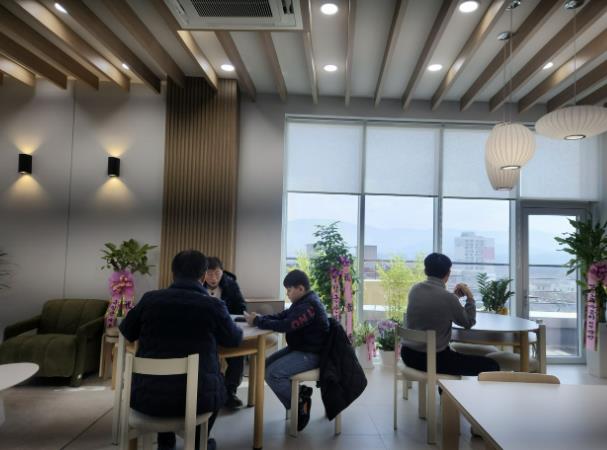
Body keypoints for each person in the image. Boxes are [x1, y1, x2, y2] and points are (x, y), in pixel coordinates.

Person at [119, 250, 243, 450]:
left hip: (147, 397)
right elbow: (234, 339)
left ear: (173, 274)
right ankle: (199, 441)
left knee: (165, 384)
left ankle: (165, 443)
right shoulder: (213, 305)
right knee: (216, 384)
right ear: (203, 276)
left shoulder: (150, 300)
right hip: (198, 401)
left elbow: (127, 331)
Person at [244, 269, 329, 431]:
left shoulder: (308, 306)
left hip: (312, 354)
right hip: (301, 349)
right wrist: (259, 319)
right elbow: (283, 316)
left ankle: (300, 403)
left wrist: (258, 322)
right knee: (265, 366)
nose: (287, 294)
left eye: (289, 290)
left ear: (300, 288)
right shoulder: (302, 302)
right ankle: (299, 396)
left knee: (273, 374)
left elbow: (286, 325)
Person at [401, 252, 500, 376]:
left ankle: (444, 387)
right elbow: (468, 322)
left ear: (425, 270)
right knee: (491, 365)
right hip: (433, 359)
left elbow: (434, 306)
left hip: (408, 355)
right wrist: (470, 297)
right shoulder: (448, 298)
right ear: (448, 273)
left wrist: (454, 297)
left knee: (454, 354)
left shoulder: (414, 290)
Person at [202, 257, 247, 409]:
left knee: (238, 354)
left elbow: (241, 307)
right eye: (209, 274)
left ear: (222, 272)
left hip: (225, 328)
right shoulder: (197, 284)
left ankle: (230, 391)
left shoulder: (230, 284)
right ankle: (207, 390)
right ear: (203, 273)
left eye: (217, 273)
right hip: (203, 330)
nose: (213, 278)